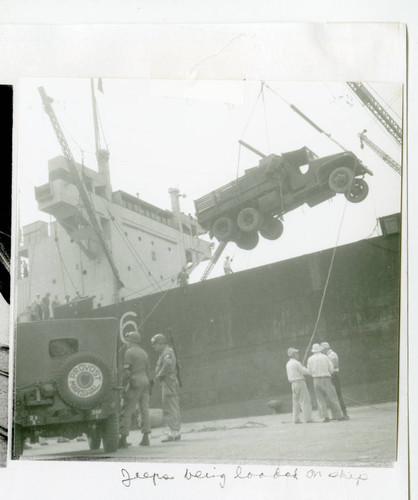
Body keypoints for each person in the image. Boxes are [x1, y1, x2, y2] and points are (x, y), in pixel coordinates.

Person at [119, 331, 152, 448]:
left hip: (135, 382)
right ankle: (146, 437)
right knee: (144, 410)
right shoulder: (144, 353)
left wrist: (123, 385)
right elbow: (148, 370)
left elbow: (127, 371)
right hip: (145, 381)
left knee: (127, 409)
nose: (126, 343)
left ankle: (123, 438)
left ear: (131, 341)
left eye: (127, 341)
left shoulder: (129, 352)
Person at [151, 333, 181, 442]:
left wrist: (160, 374)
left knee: (170, 407)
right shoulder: (166, 351)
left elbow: (168, 362)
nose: (154, 347)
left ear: (160, 343)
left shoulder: (167, 352)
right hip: (169, 383)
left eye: (155, 344)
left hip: (168, 383)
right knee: (171, 407)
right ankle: (175, 432)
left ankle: (174, 433)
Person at [307, 343, 344, 422]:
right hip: (326, 378)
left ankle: (325, 417)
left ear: (313, 350)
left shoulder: (310, 359)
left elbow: (309, 371)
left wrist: (314, 374)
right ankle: (339, 415)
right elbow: (331, 369)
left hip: (316, 380)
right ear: (320, 349)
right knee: (333, 397)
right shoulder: (325, 357)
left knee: (320, 399)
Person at [321, 342, 349, 419]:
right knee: (332, 396)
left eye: (322, 349)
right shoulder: (326, 356)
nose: (321, 351)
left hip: (334, 375)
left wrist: (326, 367)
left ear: (325, 348)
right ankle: (336, 414)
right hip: (330, 375)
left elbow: (335, 364)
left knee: (338, 395)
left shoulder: (333, 354)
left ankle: (344, 413)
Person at [285, 347, 312, 424]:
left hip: (293, 384)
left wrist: (301, 367)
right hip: (300, 382)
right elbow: (305, 372)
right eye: (296, 353)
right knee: (305, 400)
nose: (298, 354)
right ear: (293, 354)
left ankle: (296, 419)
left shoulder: (288, 363)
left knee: (296, 402)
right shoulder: (296, 363)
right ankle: (308, 419)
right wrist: (307, 369)